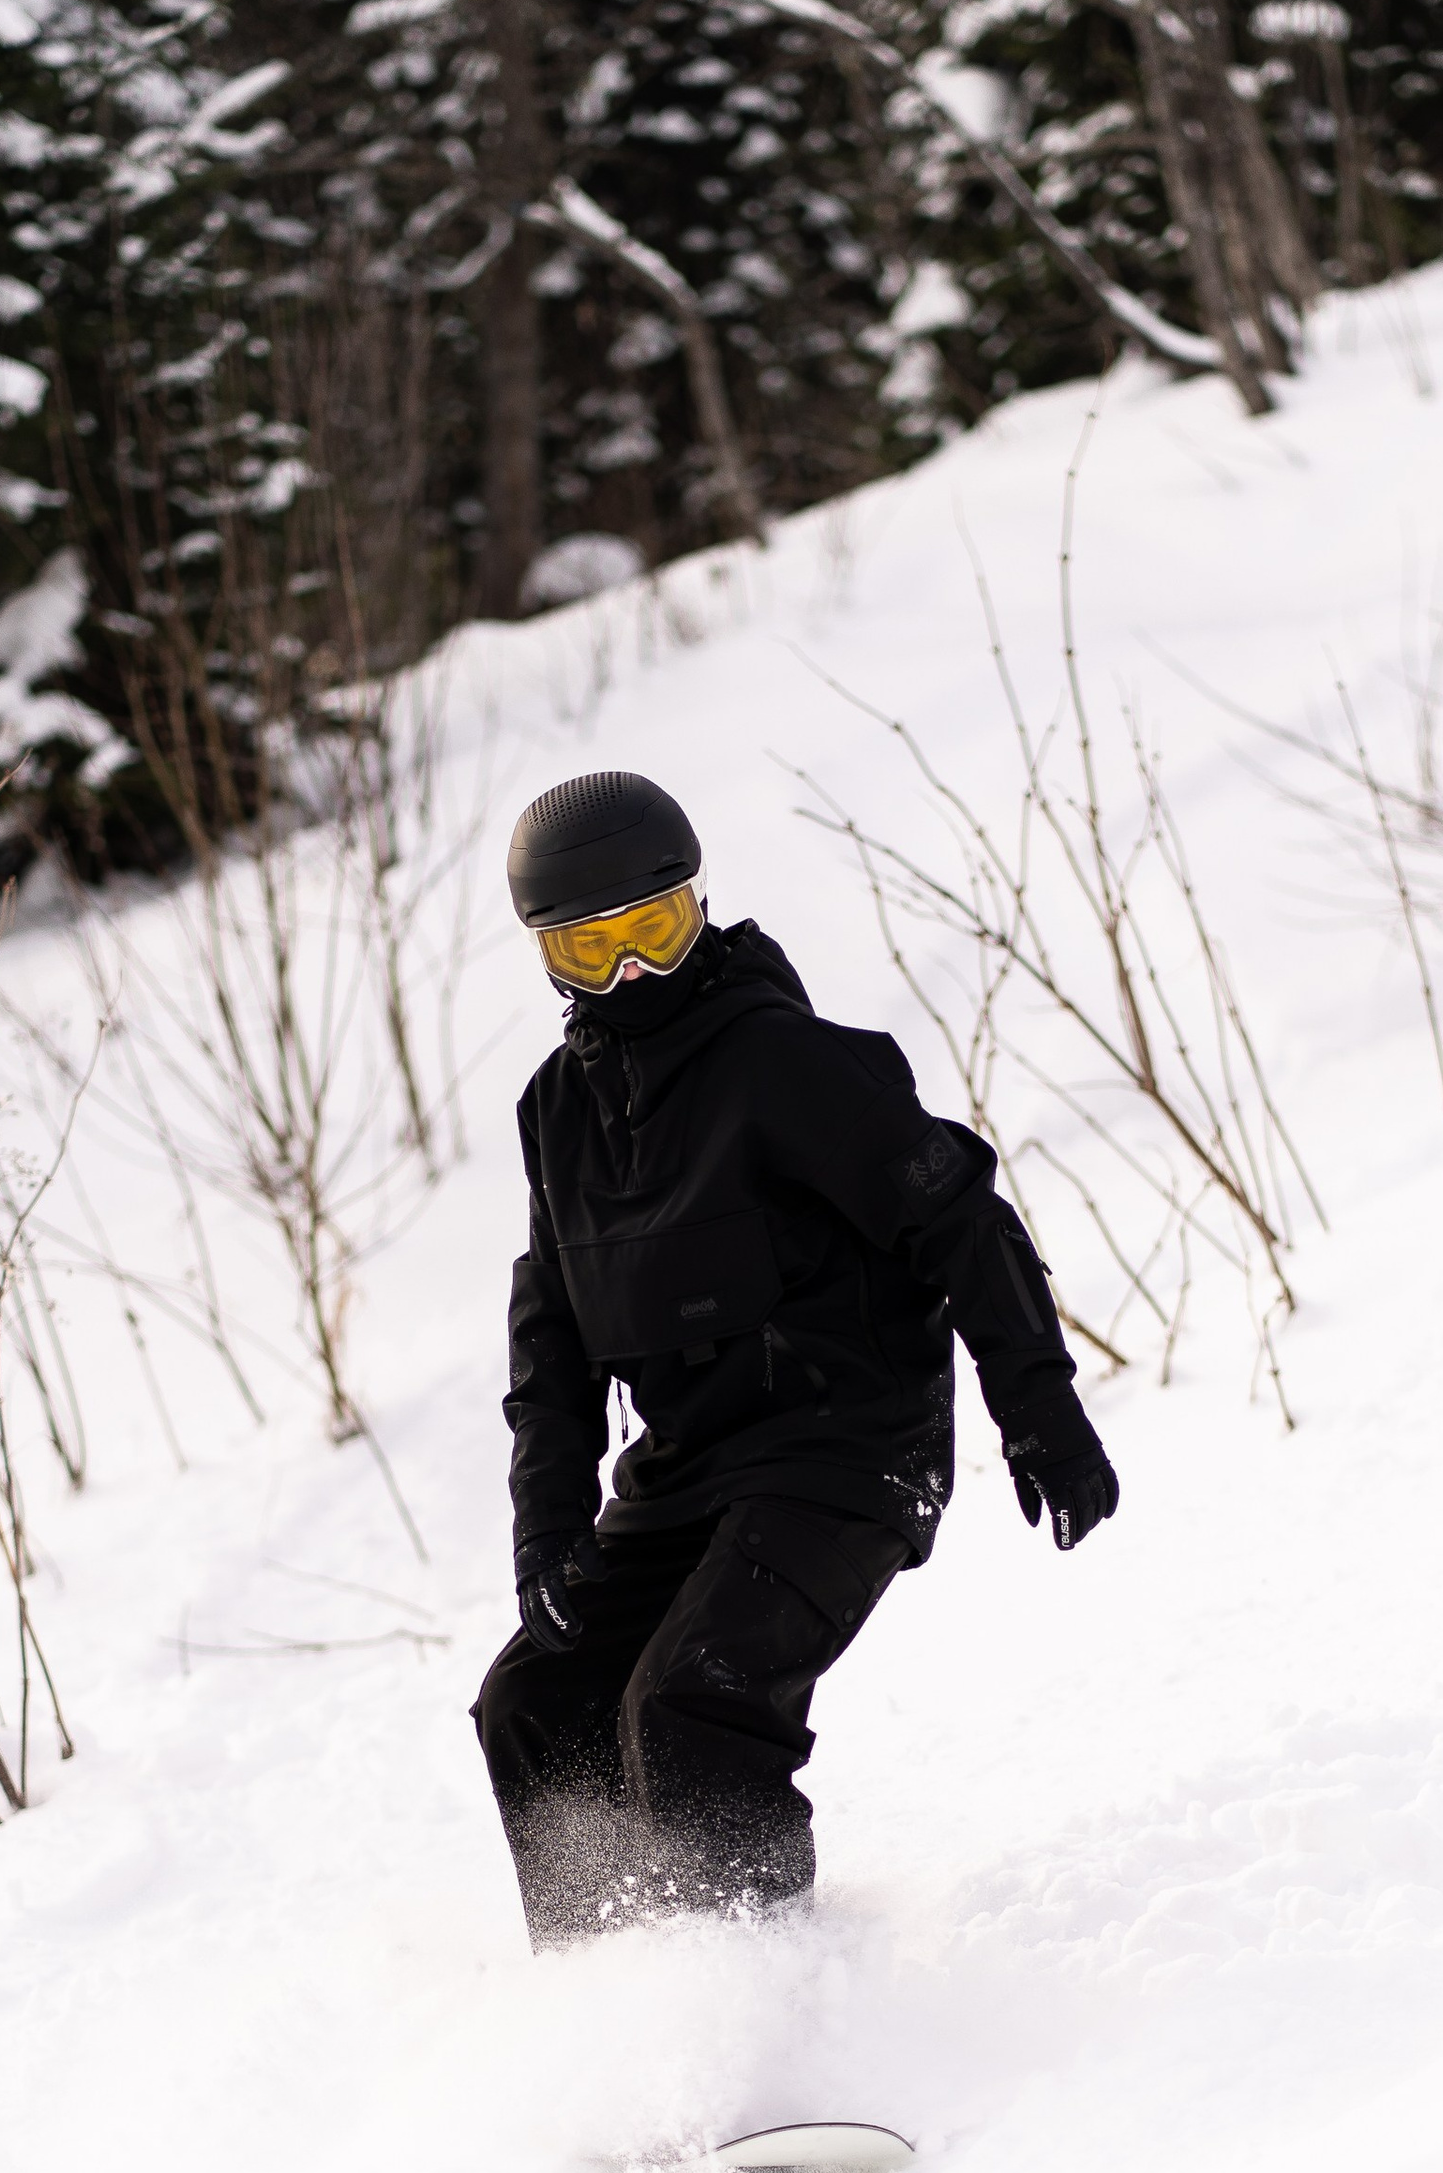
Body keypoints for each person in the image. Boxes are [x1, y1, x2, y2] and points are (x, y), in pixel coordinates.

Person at [470, 767, 1120, 1950]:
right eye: (592, 950)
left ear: (698, 909)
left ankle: (760, 2014)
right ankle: (616, 1995)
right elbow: (550, 1337)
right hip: (688, 1475)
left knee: (691, 1703)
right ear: (547, 956)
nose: (632, 974)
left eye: (655, 932)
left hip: (844, 1450)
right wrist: (549, 1525)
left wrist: (1040, 1407)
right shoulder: (557, 1110)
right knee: (536, 1699)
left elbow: (959, 1214)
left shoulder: (784, 1063)